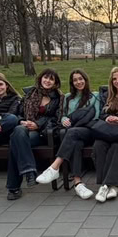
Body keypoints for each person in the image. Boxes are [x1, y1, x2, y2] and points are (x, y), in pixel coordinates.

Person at [35, 70, 102, 200]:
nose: (78, 82)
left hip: (89, 131)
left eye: (81, 79)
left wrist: (78, 122)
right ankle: (78, 183)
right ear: (72, 83)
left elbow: (97, 116)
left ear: (85, 80)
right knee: (75, 143)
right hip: (73, 134)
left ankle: (54, 167)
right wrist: (64, 119)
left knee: (72, 132)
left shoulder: (95, 96)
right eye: (75, 80)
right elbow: (63, 115)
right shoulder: (67, 97)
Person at [89, 67, 118, 203]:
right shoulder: (106, 95)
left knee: (117, 147)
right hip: (106, 131)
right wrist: (108, 117)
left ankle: (108, 185)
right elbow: (101, 114)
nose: (117, 81)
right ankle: (109, 186)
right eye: (114, 79)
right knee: (98, 145)